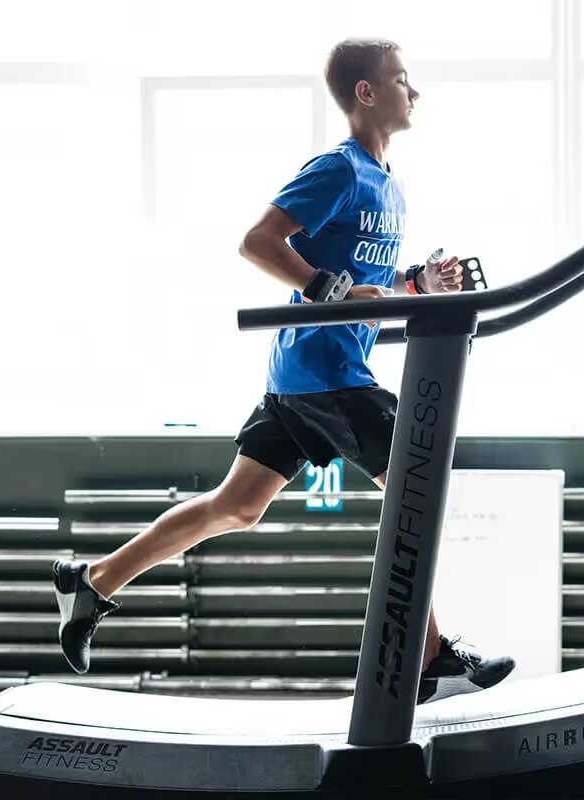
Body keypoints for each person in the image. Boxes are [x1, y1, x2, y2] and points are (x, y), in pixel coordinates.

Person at [54, 38, 515, 705]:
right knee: (417, 487)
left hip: (309, 375)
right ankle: (430, 653)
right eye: (401, 79)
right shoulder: (339, 170)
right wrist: (324, 287)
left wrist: (416, 282)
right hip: (328, 373)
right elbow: (259, 242)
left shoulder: (391, 186)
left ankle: (92, 581)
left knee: (236, 507)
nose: (413, 91)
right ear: (366, 93)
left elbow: (366, 285)